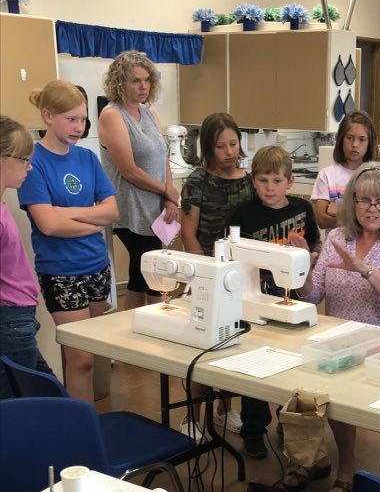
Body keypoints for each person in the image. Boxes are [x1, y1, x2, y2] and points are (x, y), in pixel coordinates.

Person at [294, 162, 380, 492]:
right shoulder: (338, 236)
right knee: (297, 377)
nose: (372, 208)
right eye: (364, 200)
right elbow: (314, 294)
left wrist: (366, 270)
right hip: (339, 340)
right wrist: (300, 269)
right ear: (352, 202)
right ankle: (313, 457)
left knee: (337, 386)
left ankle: (347, 465)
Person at [18, 81, 118, 402]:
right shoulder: (33, 162)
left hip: (97, 266)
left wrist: (67, 214)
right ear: (48, 116)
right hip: (61, 271)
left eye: (83, 119)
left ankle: (85, 422)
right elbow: (48, 225)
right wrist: (91, 219)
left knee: (91, 351)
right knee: (80, 359)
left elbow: (111, 212)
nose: (79, 127)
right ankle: (80, 427)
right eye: (71, 119)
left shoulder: (87, 158)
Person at [226, 145, 322, 459]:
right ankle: (254, 430)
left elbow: (315, 245)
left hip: (288, 296)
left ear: (290, 181)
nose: (270, 188)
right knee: (255, 366)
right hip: (253, 300)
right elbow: (232, 254)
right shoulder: (243, 214)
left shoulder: (303, 209)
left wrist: (308, 254)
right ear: (253, 180)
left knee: (291, 365)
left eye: (277, 181)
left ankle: (287, 422)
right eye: (263, 180)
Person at [180, 112, 255, 436]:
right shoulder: (197, 181)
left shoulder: (249, 180)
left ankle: (226, 410)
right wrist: (206, 273)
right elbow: (188, 232)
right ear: (208, 148)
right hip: (209, 271)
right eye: (221, 146)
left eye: (233, 144)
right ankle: (192, 418)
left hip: (241, 274)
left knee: (232, 345)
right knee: (203, 349)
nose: (229, 152)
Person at [98, 50, 179, 310]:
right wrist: (166, 191)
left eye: (147, 80)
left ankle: (136, 325)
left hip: (155, 204)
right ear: (120, 82)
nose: (143, 86)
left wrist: (169, 195)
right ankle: (158, 321)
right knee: (152, 272)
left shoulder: (149, 113)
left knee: (139, 276)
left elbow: (163, 157)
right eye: (135, 81)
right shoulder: (112, 115)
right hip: (130, 207)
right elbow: (129, 170)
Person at [0, 116, 54, 399]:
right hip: (10, 320)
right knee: (25, 405)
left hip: (18, 318)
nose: (29, 167)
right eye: (24, 160)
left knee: (50, 395)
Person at [311, 111, 380, 229]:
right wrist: (362, 217)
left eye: (362, 139)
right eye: (349, 138)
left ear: (370, 143)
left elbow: (379, 220)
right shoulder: (327, 175)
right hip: (335, 241)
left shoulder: (377, 177)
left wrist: (340, 212)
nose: (355, 144)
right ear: (341, 139)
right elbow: (322, 220)